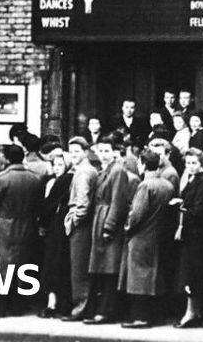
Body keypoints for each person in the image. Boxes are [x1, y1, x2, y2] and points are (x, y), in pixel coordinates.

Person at [0, 144, 43, 317]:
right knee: (21, 265)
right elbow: (38, 205)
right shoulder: (34, 179)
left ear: (7, 159)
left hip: (3, 225)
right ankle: (17, 307)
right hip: (26, 224)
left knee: (0, 266)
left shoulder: (1, 178)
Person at [121, 152, 176, 329]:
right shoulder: (167, 185)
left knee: (139, 278)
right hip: (159, 235)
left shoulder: (145, 186)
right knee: (155, 276)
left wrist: (127, 228)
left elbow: (137, 214)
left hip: (142, 236)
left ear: (143, 164)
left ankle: (140, 317)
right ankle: (156, 316)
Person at [85, 136, 131, 323]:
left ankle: (106, 311)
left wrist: (109, 226)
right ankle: (101, 309)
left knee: (109, 268)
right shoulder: (105, 171)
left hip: (108, 222)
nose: (103, 155)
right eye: (100, 151)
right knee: (101, 267)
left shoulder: (118, 171)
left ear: (114, 152)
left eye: (107, 151)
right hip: (100, 218)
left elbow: (118, 201)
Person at [173, 149, 203, 328]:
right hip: (191, 234)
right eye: (188, 163)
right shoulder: (192, 179)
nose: (190, 166)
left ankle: (192, 312)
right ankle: (193, 311)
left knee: (193, 273)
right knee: (190, 272)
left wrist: (181, 207)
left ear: (201, 164)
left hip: (197, 235)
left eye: (194, 163)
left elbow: (199, 210)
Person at [61, 136, 100, 321]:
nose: (74, 155)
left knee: (79, 269)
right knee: (82, 268)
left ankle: (80, 309)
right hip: (85, 224)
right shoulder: (89, 170)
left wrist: (73, 220)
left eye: (77, 151)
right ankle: (85, 307)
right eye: (71, 151)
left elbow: (83, 203)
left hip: (81, 226)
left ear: (85, 152)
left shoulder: (83, 172)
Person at [38, 149, 73, 318]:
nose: (58, 167)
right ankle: (59, 302)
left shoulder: (59, 182)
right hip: (60, 227)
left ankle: (52, 303)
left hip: (57, 227)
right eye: (55, 165)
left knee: (53, 265)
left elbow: (46, 207)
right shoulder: (58, 181)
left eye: (61, 164)